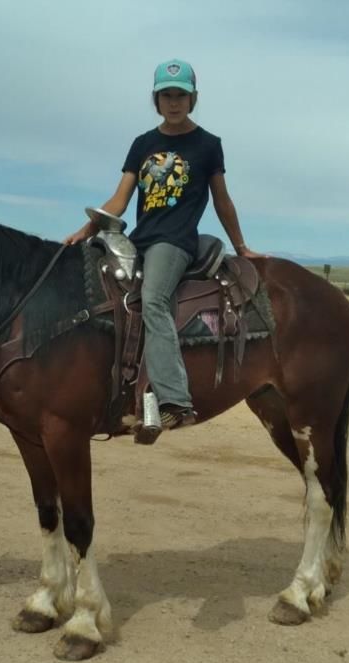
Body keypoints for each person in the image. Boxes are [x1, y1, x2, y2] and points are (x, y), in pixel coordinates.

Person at [64, 58, 262, 432]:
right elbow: (120, 200)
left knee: (154, 299)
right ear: (156, 99)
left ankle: (175, 401)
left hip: (175, 242)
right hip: (138, 239)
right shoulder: (143, 144)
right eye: (166, 95)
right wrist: (87, 230)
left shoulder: (208, 145)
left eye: (181, 95)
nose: (174, 102)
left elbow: (222, 200)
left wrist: (242, 246)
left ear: (193, 98)